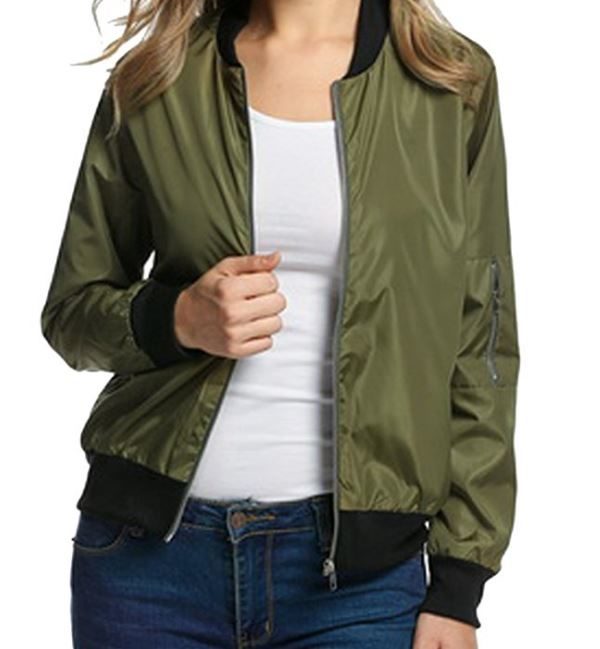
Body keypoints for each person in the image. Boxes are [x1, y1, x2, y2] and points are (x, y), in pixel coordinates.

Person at [40, 0, 520, 647]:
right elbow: (72, 309)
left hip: (361, 584)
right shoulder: (159, 76)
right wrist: (176, 318)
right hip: (148, 567)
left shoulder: (448, 80)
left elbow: (481, 340)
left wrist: (459, 584)